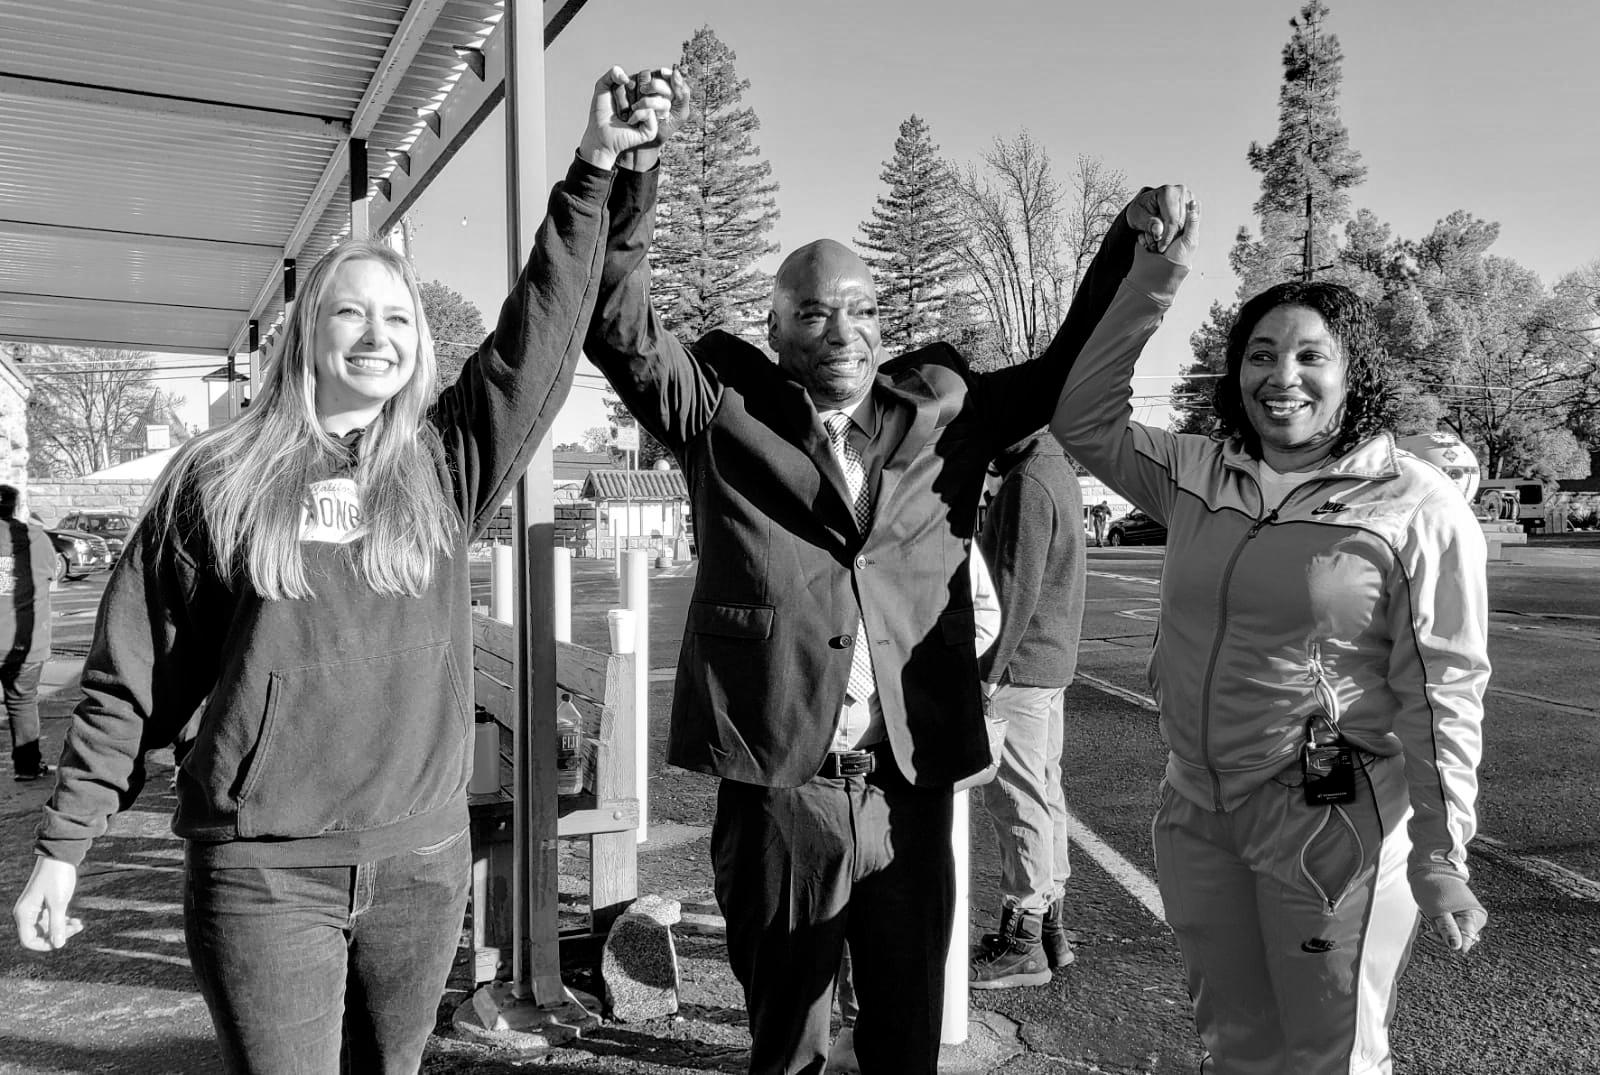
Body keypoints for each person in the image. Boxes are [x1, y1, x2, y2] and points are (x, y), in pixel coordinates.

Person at [11, 68, 671, 1073]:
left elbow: (537, 335)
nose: (377, 336)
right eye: (351, 315)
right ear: (305, 332)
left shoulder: (444, 465)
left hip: (419, 866)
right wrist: (64, 845)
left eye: (399, 320)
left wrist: (595, 166)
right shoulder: (218, 477)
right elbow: (132, 677)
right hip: (262, 880)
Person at [587, 70, 1190, 1075]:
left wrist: (1128, 244)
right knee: (787, 1043)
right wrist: (633, 164)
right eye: (815, 314)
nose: (845, 330)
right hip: (785, 792)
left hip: (907, 790)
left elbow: (1060, 367)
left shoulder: (937, 420)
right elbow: (617, 320)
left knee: (905, 1038)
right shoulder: (718, 414)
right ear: (776, 331)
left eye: (861, 309)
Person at [1052, 196, 1490, 1074]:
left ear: (1352, 370)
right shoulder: (1199, 470)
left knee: (1329, 1052)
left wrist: (1443, 855)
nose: (1279, 375)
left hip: (1331, 823)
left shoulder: (1412, 504)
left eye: (1308, 355)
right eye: (1259, 354)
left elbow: (1443, 689)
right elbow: (1083, 418)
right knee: (1235, 1040)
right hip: (1197, 808)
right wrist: (1154, 278)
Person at [829, 548, 1001, 1072]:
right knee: (797, 985)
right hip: (804, 768)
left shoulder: (926, 503)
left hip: (897, 767)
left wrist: (911, 672)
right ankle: (846, 1026)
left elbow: (984, 614)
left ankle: (859, 1030)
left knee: (905, 977)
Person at [969, 432, 1085, 989]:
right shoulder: (1054, 468)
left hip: (1018, 665)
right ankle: (1050, 932)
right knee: (1044, 792)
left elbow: (1012, 589)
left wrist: (986, 675)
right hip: (1048, 661)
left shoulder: (1027, 481)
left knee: (1015, 798)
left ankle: (1022, 941)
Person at [1, 485, 55, 782]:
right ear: (16, 506)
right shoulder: (36, 538)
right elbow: (52, 574)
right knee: (22, 702)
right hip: (26, 641)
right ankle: (26, 766)